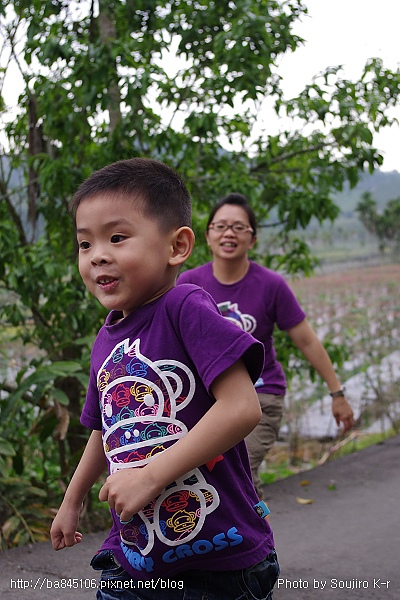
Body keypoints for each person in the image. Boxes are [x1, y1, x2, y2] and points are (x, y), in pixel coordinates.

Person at [50, 159, 280, 600]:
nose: (97, 254)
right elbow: (106, 430)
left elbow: (241, 407)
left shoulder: (185, 308)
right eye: (84, 243)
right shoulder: (107, 338)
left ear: (177, 246)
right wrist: (72, 499)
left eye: (117, 237)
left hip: (217, 563)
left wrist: (150, 477)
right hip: (135, 557)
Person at [178, 193, 354, 499]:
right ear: (207, 236)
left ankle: (256, 542)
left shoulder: (270, 285)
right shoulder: (188, 283)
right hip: (208, 401)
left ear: (253, 239)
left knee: (234, 470)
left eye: (238, 227)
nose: (229, 233)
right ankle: (253, 540)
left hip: (260, 398)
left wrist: (337, 393)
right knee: (218, 482)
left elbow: (306, 339)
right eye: (220, 226)